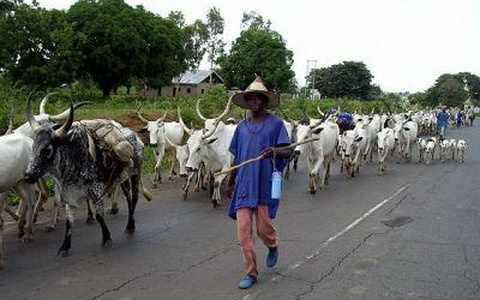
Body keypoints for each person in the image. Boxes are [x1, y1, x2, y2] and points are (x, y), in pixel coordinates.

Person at [226, 76, 291, 290]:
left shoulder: (276, 125)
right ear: (246, 102)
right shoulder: (241, 128)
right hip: (244, 184)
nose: (254, 102)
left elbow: (288, 150)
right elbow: (236, 155)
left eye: (258, 98)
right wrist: (230, 181)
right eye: (250, 99)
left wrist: (274, 150)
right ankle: (250, 273)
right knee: (244, 234)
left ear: (264, 101)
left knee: (264, 229)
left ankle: (272, 245)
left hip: (263, 183)